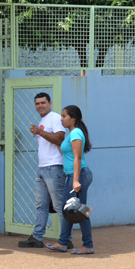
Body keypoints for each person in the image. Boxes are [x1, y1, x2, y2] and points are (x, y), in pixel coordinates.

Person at [19, 92, 69, 248]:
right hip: (43, 168)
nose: (40, 105)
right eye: (37, 103)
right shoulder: (44, 120)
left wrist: (40, 132)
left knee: (59, 206)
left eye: (43, 102)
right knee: (41, 205)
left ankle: (66, 239)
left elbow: (60, 138)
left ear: (50, 103)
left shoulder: (55, 118)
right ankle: (37, 237)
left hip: (54, 167)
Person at [46, 105, 95, 255]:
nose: (61, 119)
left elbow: (77, 158)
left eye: (64, 116)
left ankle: (88, 245)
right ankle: (62, 242)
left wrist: (75, 180)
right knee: (68, 209)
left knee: (79, 211)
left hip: (79, 175)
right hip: (75, 175)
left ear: (73, 118)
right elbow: (66, 152)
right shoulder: (72, 134)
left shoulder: (76, 133)